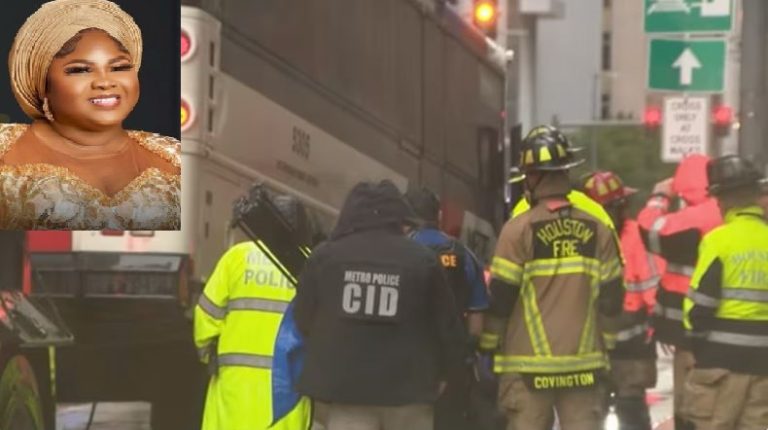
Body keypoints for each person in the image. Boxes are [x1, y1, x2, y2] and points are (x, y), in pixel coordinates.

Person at [293, 180, 466, 430]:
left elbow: (303, 318)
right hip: (410, 396)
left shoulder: (325, 256)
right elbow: (448, 329)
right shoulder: (423, 260)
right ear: (398, 217)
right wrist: (446, 375)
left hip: (345, 393)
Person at [484, 127, 624, 430]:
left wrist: (487, 345)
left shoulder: (517, 230)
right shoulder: (599, 229)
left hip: (527, 368)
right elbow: (612, 300)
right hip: (583, 367)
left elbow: (501, 298)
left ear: (533, 177)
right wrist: (609, 350)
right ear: (565, 172)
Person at [1, 0, 180, 230]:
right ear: (42, 84)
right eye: (80, 70)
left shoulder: (174, 155)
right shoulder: (5, 150)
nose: (105, 82)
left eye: (119, 68)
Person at [194, 193, 312, 430]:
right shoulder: (310, 265)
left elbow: (206, 314)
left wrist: (208, 354)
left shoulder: (236, 257)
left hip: (234, 386)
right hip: (284, 393)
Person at [681, 155, 768, 430]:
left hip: (719, 363)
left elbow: (701, 305)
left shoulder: (718, 241)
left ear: (723, 200)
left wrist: (697, 345)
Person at [636, 154, 722, 429]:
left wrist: (659, 197)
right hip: (723, 330)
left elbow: (650, 230)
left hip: (689, 333)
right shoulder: (726, 212)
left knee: (690, 411)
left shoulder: (698, 217)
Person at [403, 186, 491, 430]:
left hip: (408, 366)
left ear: (404, 219)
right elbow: (476, 322)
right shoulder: (466, 256)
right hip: (453, 365)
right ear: (439, 216)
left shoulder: (400, 251)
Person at [581, 171, 662, 430]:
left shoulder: (577, 237)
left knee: (593, 411)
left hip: (601, 345)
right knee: (628, 410)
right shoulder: (637, 235)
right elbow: (653, 287)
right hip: (628, 343)